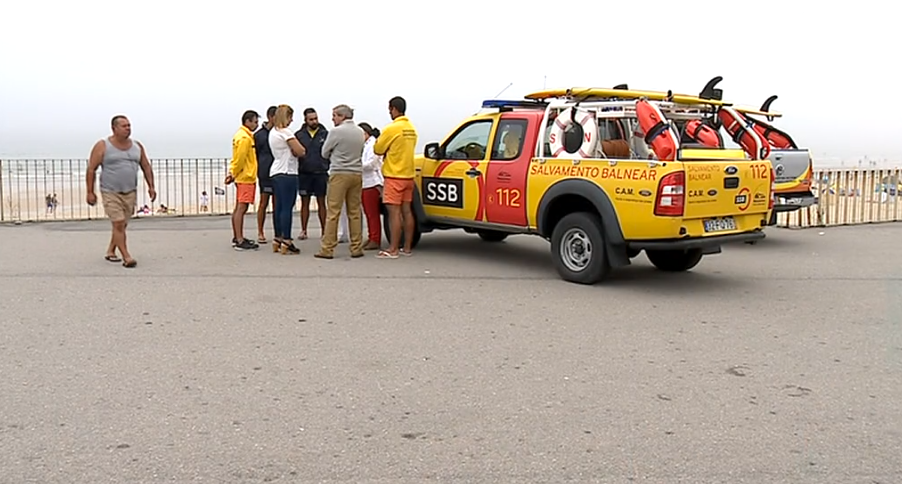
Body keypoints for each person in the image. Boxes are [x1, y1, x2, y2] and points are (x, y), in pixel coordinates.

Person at [86, 115, 157, 268]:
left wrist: (151, 186)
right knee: (118, 222)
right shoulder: (103, 145)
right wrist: (90, 192)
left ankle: (111, 251)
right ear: (114, 128)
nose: (128, 129)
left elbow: (146, 166)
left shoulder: (137, 146)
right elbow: (91, 169)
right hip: (110, 191)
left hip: (130, 191)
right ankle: (126, 256)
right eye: (124, 126)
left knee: (122, 224)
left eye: (129, 125)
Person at [314, 104, 365, 259]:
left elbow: (324, 152)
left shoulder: (336, 132)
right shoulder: (359, 132)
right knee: (354, 211)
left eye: (335, 115)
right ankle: (356, 246)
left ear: (342, 116)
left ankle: (328, 248)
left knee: (333, 211)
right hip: (356, 172)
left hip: (339, 172)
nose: (333, 118)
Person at [373, 96, 418, 259]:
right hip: (408, 175)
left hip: (394, 175)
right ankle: (406, 248)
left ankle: (393, 249)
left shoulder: (392, 128)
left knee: (394, 213)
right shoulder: (411, 128)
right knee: (407, 211)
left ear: (393, 109)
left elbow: (378, 149)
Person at [268, 105, 305, 255]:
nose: (291, 120)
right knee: (287, 207)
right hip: (288, 172)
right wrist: (296, 152)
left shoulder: (272, 133)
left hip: (276, 170)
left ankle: (277, 237)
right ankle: (287, 240)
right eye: (290, 117)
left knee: (278, 206)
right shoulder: (286, 133)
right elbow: (301, 151)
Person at [225, 109, 260, 251]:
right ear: (248, 121)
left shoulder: (243, 135)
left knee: (240, 207)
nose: (256, 125)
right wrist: (233, 173)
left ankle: (238, 236)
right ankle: (239, 239)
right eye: (255, 122)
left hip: (244, 176)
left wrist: (232, 173)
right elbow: (240, 159)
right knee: (241, 207)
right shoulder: (244, 138)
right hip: (245, 177)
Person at [295, 108, 329, 240]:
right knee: (305, 203)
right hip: (305, 173)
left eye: (315, 118)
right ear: (305, 120)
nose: (314, 121)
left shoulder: (325, 134)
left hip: (321, 172)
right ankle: (303, 230)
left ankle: (324, 231)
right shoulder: (299, 135)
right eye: (311, 119)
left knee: (322, 202)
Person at [358, 122, 384, 250]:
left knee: (372, 213)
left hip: (372, 182)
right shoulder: (366, 145)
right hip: (365, 182)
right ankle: (371, 236)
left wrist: (357, 166)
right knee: (368, 212)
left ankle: (375, 238)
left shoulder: (373, 145)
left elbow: (371, 164)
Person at [254, 105, 278, 243]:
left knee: (277, 204)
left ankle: (278, 232)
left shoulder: (281, 133)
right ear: (270, 117)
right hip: (264, 172)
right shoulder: (259, 135)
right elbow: (255, 155)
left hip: (278, 172)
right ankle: (260, 232)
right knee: (263, 203)